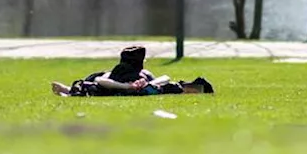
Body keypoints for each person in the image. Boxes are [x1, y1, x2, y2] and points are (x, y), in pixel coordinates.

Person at [50, 46, 215, 97]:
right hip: (116, 86)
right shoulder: (119, 72)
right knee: (93, 87)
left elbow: (164, 78)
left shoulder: (143, 74)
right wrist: (127, 87)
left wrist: (146, 84)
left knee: (173, 87)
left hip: (141, 87)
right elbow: (101, 80)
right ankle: (67, 91)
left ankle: (67, 91)